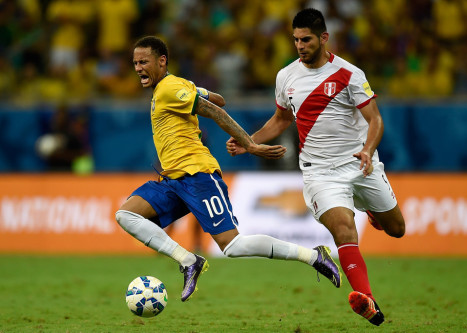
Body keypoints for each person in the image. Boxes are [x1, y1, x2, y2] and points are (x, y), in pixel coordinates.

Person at [115, 35, 342, 303]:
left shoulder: (168, 88)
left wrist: (251, 144)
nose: (138, 68)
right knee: (126, 215)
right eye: (135, 63)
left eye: (144, 62)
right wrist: (195, 89)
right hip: (173, 181)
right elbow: (220, 99)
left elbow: (216, 111)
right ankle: (189, 261)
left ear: (162, 61)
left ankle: (314, 256)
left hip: (198, 175)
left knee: (233, 246)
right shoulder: (176, 86)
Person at [227, 8, 406, 326]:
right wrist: (249, 141)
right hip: (320, 172)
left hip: (359, 163)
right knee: (344, 230)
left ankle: (374, 213)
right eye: (295, 40)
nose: (299, 45)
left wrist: (367, 150)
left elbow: (375, 119)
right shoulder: (286, 76)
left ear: (324, 38)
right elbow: (282, 119)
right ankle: (368, 301)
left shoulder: (350, 74)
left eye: (306, 39)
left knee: (397, 229)